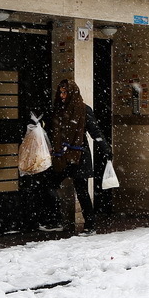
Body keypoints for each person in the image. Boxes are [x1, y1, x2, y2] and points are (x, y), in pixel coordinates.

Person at [39, 78, 112, 235]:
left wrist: (106, 150)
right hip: (61, 156)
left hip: (79, 155)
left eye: (65, 92)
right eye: (60, 92)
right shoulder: (57, 110)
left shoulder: (83, 110)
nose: (62, 95)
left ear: (72, 92)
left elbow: (95, 131)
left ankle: (90, 225)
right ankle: (56, 220)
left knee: (82, 191)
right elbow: (50, 128)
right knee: (49, 184)